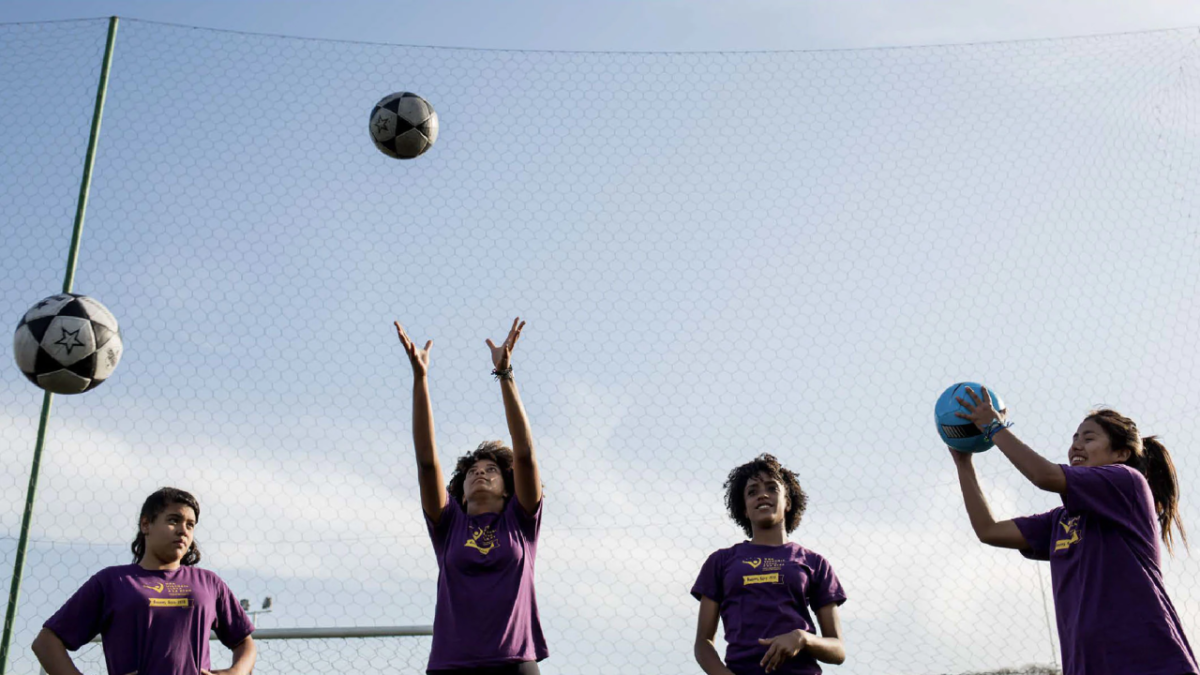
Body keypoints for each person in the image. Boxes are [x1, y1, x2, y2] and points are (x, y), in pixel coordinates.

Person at [951, 386, 1197, 675]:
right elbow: (989, 530)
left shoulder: (1127, 483)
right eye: (1074, 438)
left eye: (1089, 438)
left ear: (1121, 453)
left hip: (1150, 662)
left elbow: (1043, 476)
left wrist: (994, 427)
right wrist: (963, 463)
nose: (1076, 445)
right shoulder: (1062, 520)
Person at [395, 317, 547, 675]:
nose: (480, 472)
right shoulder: (448, 525)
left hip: (514, 663)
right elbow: (427, 463)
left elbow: (524, 455)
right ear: (460, 489)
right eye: (472, 471)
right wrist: (421, 380)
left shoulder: (521, 521)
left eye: (491, 469)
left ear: (508, 486)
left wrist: (505, 375)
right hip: (452, 665)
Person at [32, 487, 256, 675]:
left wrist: (235, 672)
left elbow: (245, 643)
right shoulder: (113, 581)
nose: (183, 530)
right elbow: (46, 642)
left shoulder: (209, 583)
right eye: (173, 520)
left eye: (190, 524)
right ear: (146, 524)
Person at [692, 453, 847, 675]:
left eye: (772, 488)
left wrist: (801, 638)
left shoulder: (815, 563)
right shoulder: (721, 561)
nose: (762, 495)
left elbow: (838, 650)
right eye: (752, 492)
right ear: (744, 508)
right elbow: (702, 643)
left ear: (788, 502)